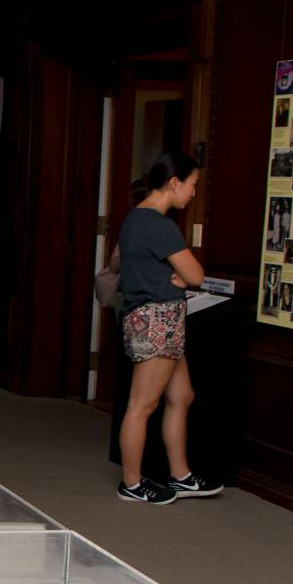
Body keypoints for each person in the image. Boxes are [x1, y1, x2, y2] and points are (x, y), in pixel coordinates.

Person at [116, 151, 222, 505]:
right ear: (175, 183)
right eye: (192, 185)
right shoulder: (159, 224)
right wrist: (179, 279)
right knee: (142, 405)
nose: (193, 193)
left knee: (181, 396)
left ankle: (181, 476)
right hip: (157, 319)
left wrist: (174, 279)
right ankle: (131, 483)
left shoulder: (135, 218)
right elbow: (195, 276)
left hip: (158, 318)